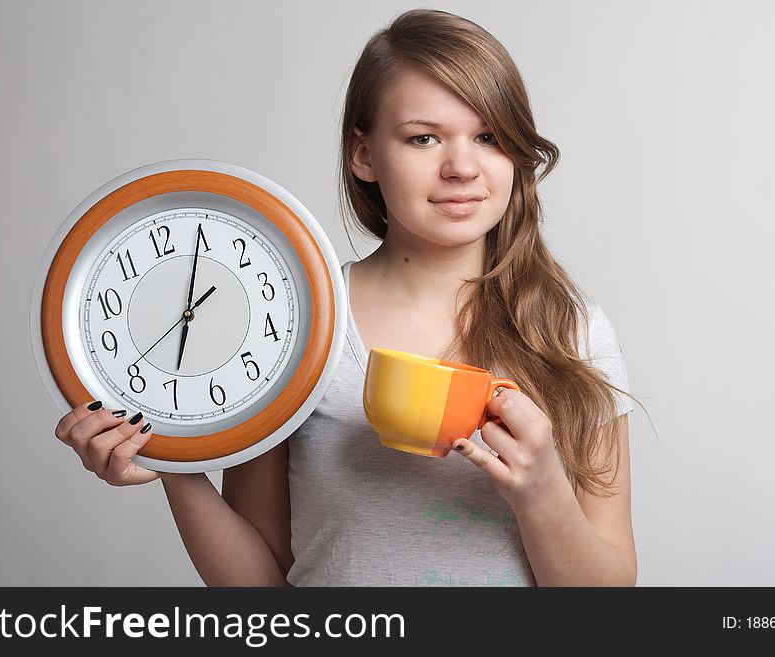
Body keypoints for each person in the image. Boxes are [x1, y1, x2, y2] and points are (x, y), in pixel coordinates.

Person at [54, 9, 641, 586]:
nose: (462, 167)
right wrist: (171, 460)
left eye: (488, 136)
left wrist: (540, 492)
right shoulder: (297, 326)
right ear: (364, 154)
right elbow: (260, 588)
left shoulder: (571, 331)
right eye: (423, 138)